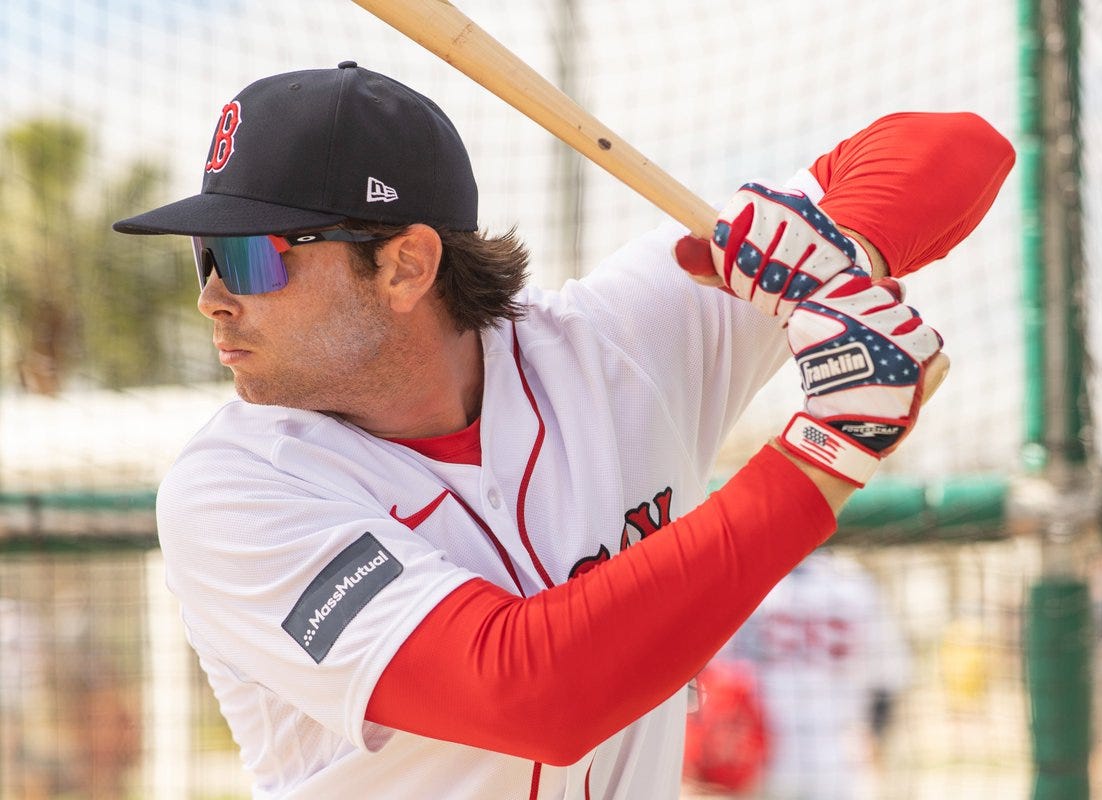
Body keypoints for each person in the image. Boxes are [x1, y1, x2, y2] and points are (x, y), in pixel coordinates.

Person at [112, 60, 1013, 798]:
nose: (212, 298)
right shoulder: (234, 489)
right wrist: (823, 456)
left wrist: (831, 255)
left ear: (405, 264)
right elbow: (531, 693)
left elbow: (960, 147)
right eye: (206, 254)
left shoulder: (606, 344)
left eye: (248, 256)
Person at [690, 550, 911, 800]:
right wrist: (873, 738)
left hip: (757, 762)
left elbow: (710, 675)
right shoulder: (855, 583)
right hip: (831, 762)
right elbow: (888, 681)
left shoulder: (744, 577)